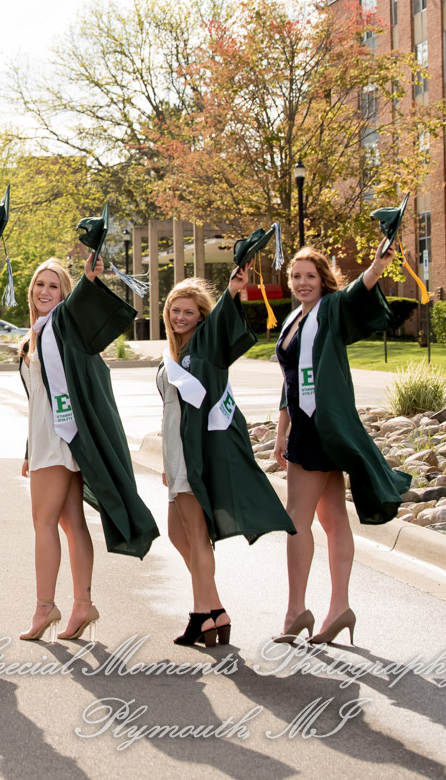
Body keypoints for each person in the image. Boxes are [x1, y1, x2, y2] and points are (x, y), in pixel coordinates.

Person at [271, 243, 405, 646]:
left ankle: (297, 610)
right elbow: (290, 377)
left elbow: (355, 295)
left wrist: (376, 269)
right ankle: (339, 608)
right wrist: (281, 428)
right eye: (297, 276)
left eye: (310, 276)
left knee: (295, 520)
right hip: (305, 425)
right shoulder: (295, 317)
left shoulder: (329, 309)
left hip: (320, 425)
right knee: (331, 520)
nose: (302, 283)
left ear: (323, 279)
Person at [18, 252, 155, 642]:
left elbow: (80, 304)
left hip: (59, 438)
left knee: (43, 523)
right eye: (40, 285)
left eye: (53, 285)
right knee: (69, 521)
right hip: (51, 437)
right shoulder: (37, 334)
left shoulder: (63, 325)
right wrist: (29, 449)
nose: (45, 291)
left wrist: (88, 280)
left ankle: (45, 607)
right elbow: (38, 400)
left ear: (64, 292)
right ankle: (82, 604)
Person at [157, 266, 294, 648]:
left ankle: (202, 614)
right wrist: (168, 463)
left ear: (202, 315)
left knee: (197, 538)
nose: (180, 317)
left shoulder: (206, 346)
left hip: (192, 453)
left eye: (188, 311)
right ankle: (215, 609)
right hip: (175, 455)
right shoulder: (177, 353)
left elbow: (222, 322)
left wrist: (234, 289)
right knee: (176, 533)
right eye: (174, 310)